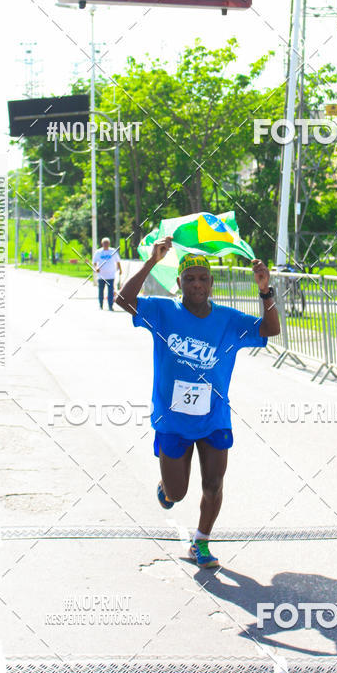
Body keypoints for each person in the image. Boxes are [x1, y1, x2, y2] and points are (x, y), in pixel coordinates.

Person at [116, 237, 280, 568]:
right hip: (173, 420)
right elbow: (123, 299)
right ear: (179, 283)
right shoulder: (163, 311)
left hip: (214, 417)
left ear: (211, 283)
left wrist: (266, 290)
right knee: (177, 494)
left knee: (214, 482)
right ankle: (166, 488)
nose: (196, 284)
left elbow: (271, 329)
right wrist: (151, 261)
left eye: (203, 278)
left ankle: (201, 542)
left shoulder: (229, 320)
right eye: (189, 279)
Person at [93, 237, 122, 311]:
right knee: (101, 291)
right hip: (101, 276)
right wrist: (96, 268)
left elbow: (118, 261)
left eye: (107, 243)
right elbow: (95, 262)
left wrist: (120, 269)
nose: (105, 244)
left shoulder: (112, 251)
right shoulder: (98, 252)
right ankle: (101, 305)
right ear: (102, 244)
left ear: (109, 244)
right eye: (104, 243)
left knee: (110, 291)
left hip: (111, 275)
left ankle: (110, 306)